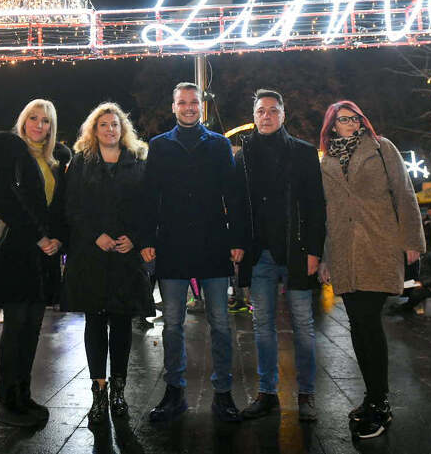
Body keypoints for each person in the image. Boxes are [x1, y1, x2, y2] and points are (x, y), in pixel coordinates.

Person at [317, 100, 424, 440]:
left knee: (367, 323)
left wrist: (412, 243)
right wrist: (324, 258)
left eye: (354, 118)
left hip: (379, 245)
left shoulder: (382, 148)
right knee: (359, 328)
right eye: (342, 120)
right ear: (332, 126)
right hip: (344, 252)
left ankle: (380, 403)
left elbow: (405, 194)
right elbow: (326, 212)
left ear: (363, 121)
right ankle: (373, 398)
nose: (350, 124)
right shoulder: (327, 160)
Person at [141, 82, 245, 423]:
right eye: (182, 102)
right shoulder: (159, 146)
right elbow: (150, 195)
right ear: (173, 107)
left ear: (202, 106)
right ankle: (174, 392)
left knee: (220, 323)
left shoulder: (218, 145)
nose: (188, 107)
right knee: (171, 324)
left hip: (213, 242)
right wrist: (147, 238)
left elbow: (233, 194)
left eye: (193, 102)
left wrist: (237, 238)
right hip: (171, 244)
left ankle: (224, 392)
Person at [234, 89, 325, 422]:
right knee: (262, 327)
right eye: (261, 111)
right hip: (260, 254)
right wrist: (239, 243)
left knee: (303, 326)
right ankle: (267, 393)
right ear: (254, 115)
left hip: (297, 251)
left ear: (283, 114)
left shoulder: (302, 153)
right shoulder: (243, 156)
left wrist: (316, 250)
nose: (267, 116)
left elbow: (316, 206)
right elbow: (239, 207)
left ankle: (306, 395)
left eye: (273, 110)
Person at [61, 102, 155, 425]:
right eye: (104, 125)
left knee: (122, 323)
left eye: (115, 124)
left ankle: (119, 391)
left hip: (126, 256)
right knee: (95, 322)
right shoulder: (81, 163)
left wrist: (136, 237)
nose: (110, 129)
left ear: (123, 128)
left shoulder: (138, 162)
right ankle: (98, 392)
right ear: (94, 130)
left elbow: (149, 206)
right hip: (92, 255)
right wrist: (94, 235)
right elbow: (71, 207)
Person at [0, 98, 70, 428]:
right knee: (16, 328)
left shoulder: (55, 160)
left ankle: (24, 394)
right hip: (17, 253)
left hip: (44, 256)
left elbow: (60, 207)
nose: (39, 125)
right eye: (33, 118)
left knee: (32, 330)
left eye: (45, 120)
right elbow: (5, 202)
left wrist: (58, 238)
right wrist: (39, 236)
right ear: (22, 121)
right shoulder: (9, 153)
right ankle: (8, 403)